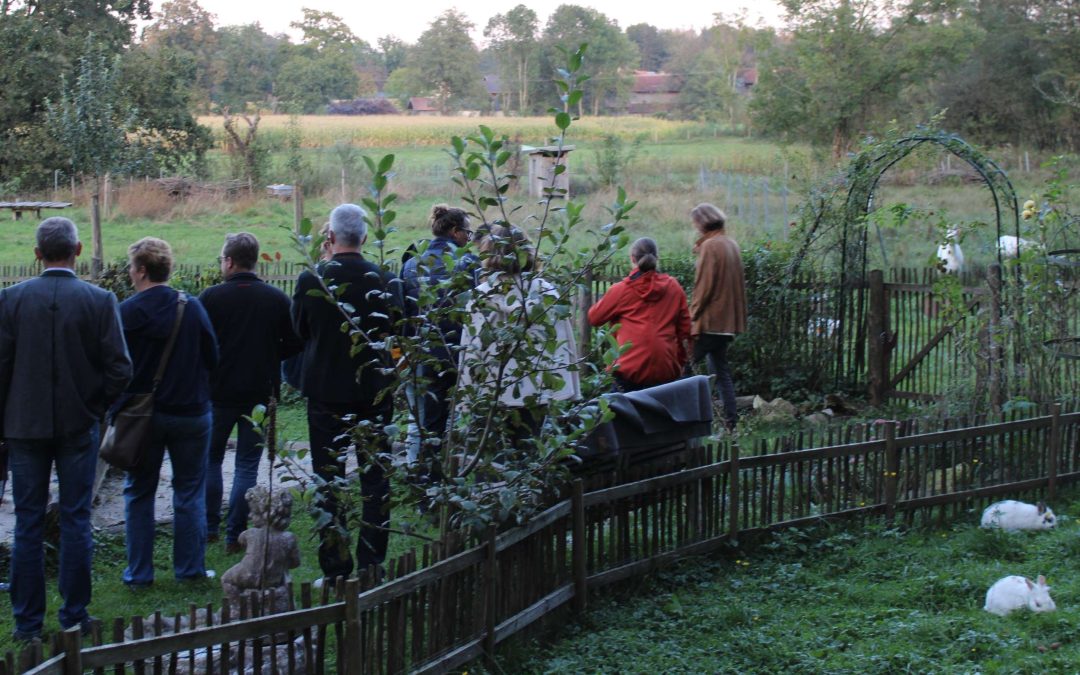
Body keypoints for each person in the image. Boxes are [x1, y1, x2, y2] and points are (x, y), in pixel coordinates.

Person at [0, 217, 131, 641]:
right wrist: (95, 406)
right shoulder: (99, 299)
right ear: (76, 251)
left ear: (37, 255)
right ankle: (74, 615)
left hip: (23, 425)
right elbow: (120, 369)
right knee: (75, 520)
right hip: (78, 424)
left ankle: (27, 624)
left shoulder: (11, 300)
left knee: (27, 522)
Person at [292, 203, 402, 581]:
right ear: (366, 238)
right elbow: (397, 334)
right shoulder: (385, 279)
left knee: (329, 479)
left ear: (330, 237)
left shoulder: (313, 280)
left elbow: (299, 332)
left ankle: (336, 567)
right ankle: (373, 564)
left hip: (326, 393)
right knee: (375, 479)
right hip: (373, 391)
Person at [119, 237, 219, 587]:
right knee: (189, 491)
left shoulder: (128, 312)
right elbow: (212, 355)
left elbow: (116, 364)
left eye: (131, 267)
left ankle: (139, 572)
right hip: (191, 411)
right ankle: (189, 569)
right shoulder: (190, 307)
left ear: (142, 270)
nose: (129, 273)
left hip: (142, 415)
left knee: (139, 491)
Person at [200, 233, 302, 554]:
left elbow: (200, 344)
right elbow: (295, 342)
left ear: (229, 261)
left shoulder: (210, 298)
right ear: (254, 260)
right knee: (246, 464)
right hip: (261, 393)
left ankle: (210, 528)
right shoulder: (276, 299)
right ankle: (235, 534)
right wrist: (271, 355)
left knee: (211, 459)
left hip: (218, 393)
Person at [457, 225, 580, 448]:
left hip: (492, 393)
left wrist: (467, 398)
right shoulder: (545, 293)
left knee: (493, 458)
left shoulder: (480, 297)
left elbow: (471, 351)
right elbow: (563, 346)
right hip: (537, 393)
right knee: (530, 449)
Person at [399, 205, 478, 469]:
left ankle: (424, 479)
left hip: (422, 353)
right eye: (467, 232)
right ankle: (450, 478)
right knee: (459, 421)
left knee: (426, 422)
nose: (469, 238)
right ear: (455, 232)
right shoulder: (467, 263)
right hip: (458, 353)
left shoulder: (411, 263)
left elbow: (404, 314)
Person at [588, 237, 691, 391]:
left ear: (632, 259)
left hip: (629, 370)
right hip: (666, 368)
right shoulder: (673, 287)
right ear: (657, 258)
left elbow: (593, 318)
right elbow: (685, 330)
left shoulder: (621, 290)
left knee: (615, 409)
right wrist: (679, 362)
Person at [688, 203, 747, 431]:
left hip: (710, 322)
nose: (694, 226)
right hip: (727, 325)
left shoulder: (711, 246)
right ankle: (731, 424)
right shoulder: (731, 243)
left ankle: (689, 423)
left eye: (695, 222)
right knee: (721, 373)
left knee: (683, 369)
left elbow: (703, 288)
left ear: (703, 222)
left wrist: (693, 318)